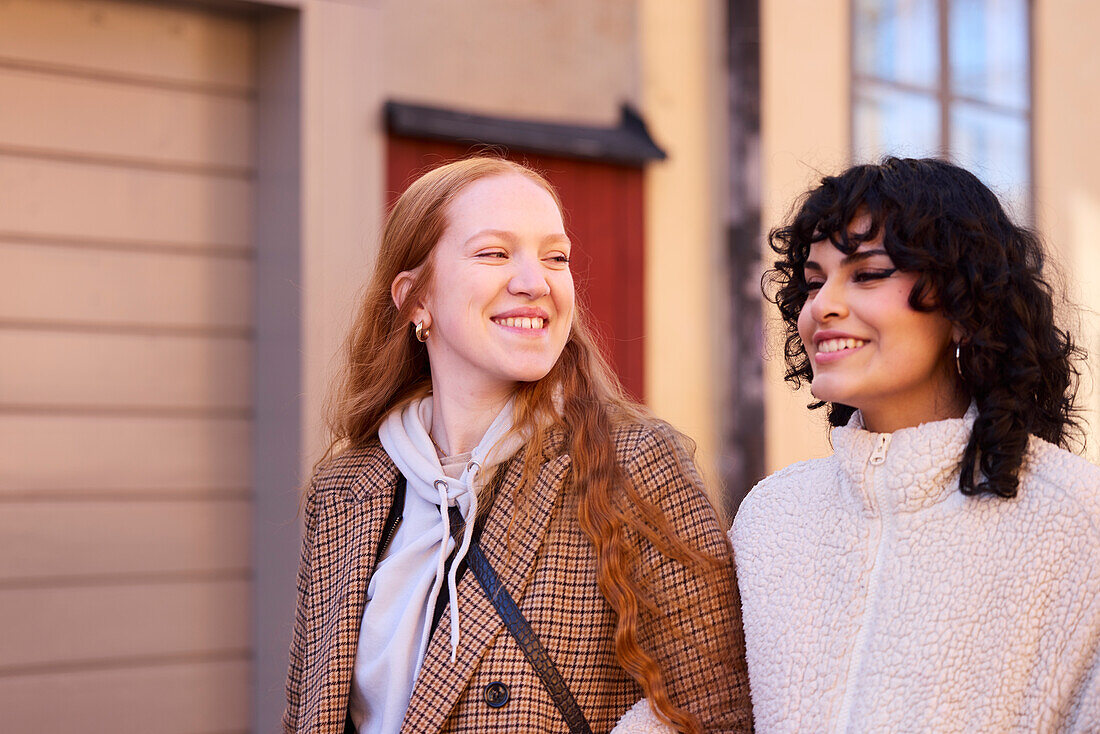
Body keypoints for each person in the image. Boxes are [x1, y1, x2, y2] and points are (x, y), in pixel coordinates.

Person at [283, 156, 753, 733]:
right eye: (494, 253)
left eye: (556, 257)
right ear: (415, 299)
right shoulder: (343, 492)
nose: (536, 282)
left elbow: (718, 712)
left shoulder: (631, 462)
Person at [730, 157, 1100, 732]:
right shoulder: (770, 519)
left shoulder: (1075, 520)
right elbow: (695, 711)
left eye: (868, 273)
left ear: (963, 306)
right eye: (812, 281)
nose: (822, 305)